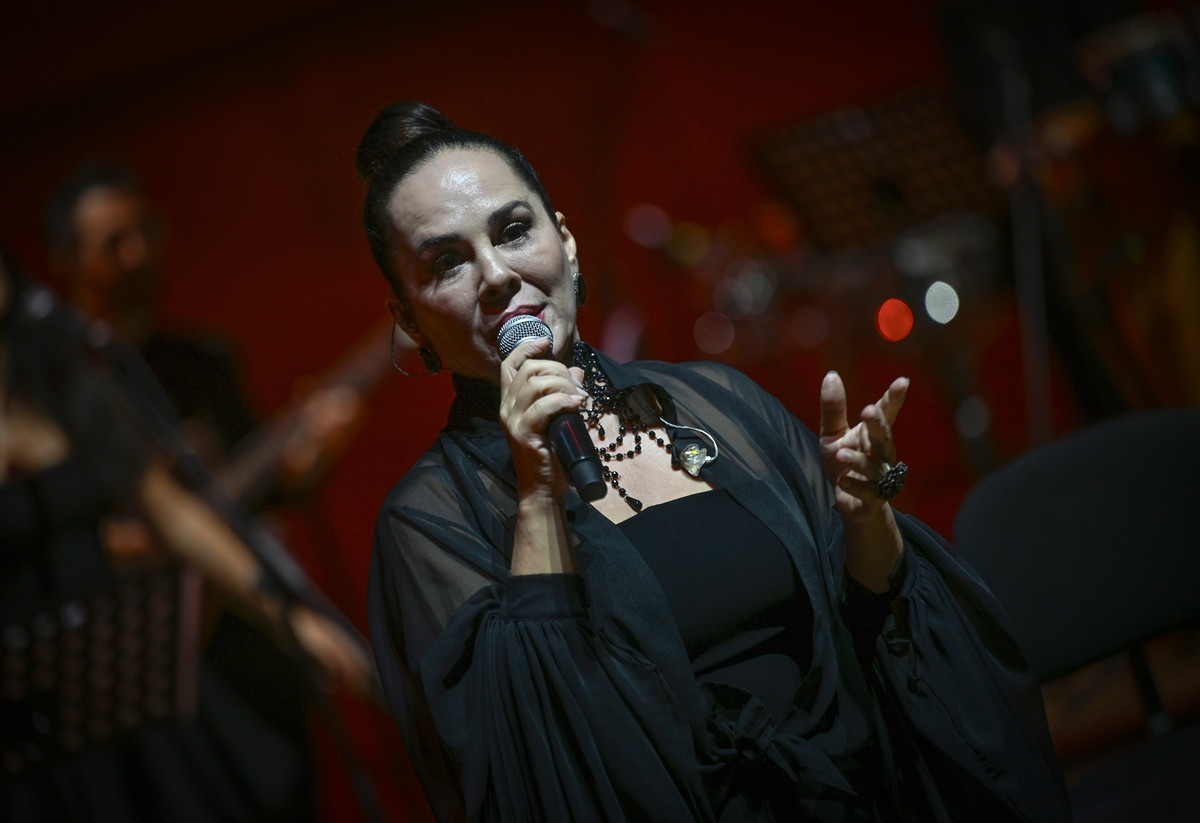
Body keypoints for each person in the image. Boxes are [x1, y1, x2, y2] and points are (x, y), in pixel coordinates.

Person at [361, 102, 1071, 822]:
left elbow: (873, 633)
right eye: (447, 262)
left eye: (514, 231)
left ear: (566, 242)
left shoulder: (714, 400)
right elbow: (536, 765)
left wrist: (867, 518)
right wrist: (538, 493)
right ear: (410, 319)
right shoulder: (429, 520)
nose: (496, 275)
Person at [0, 248, 368, 820]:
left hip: (128, 682)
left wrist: (291, 617)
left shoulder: (60, 375)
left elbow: (175, 514)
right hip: (26, 728)